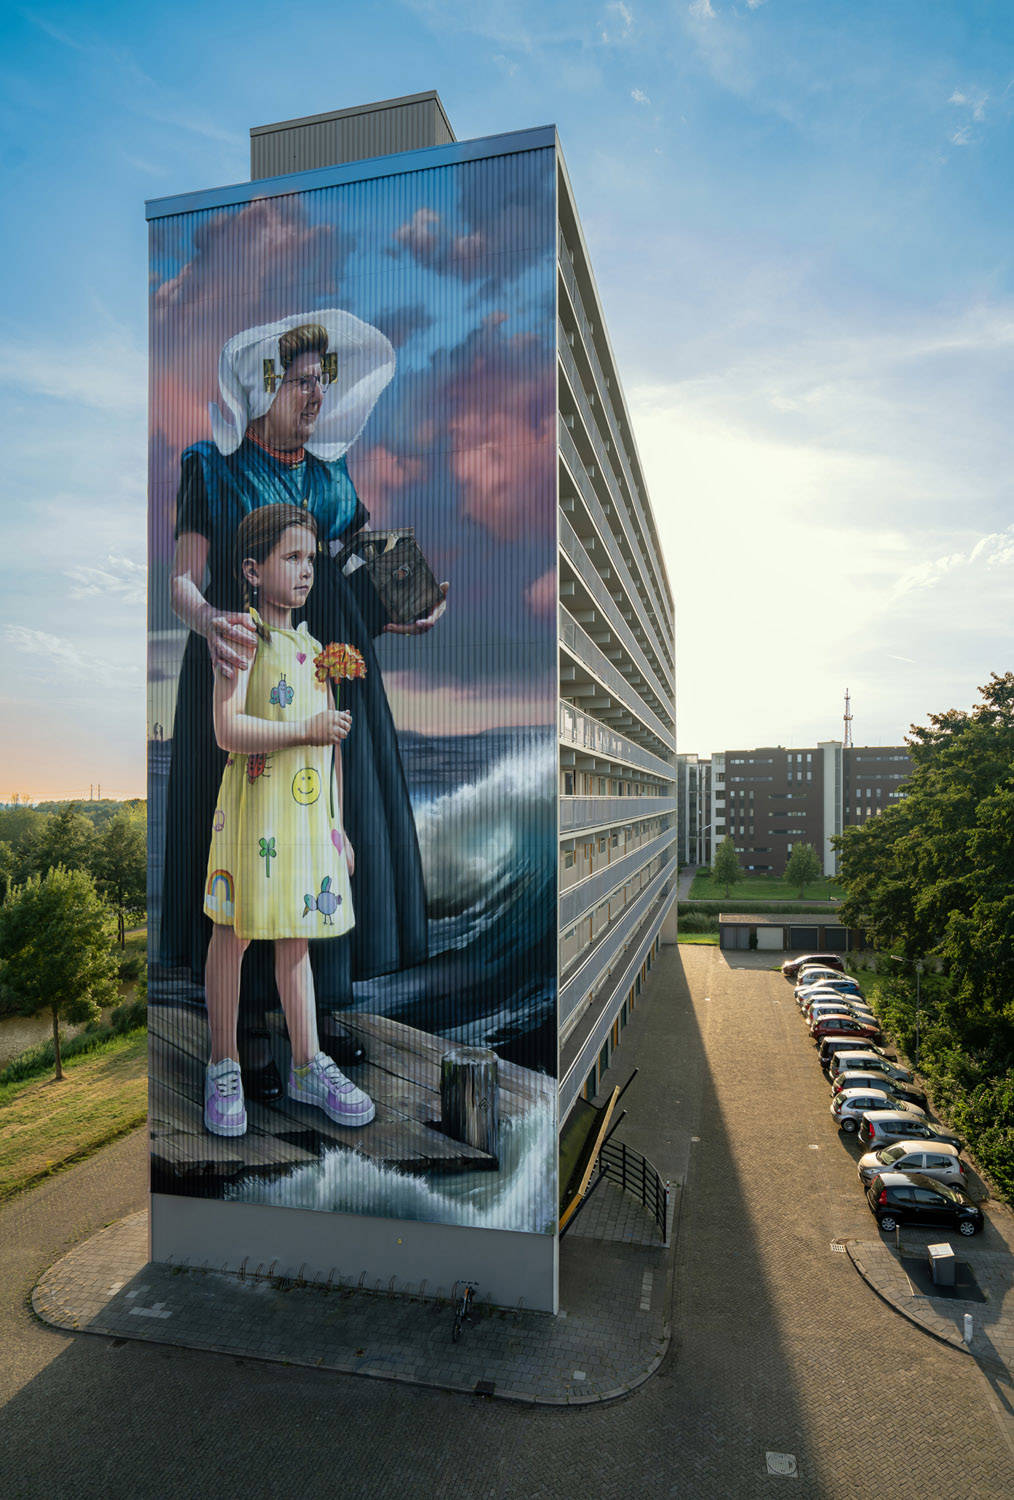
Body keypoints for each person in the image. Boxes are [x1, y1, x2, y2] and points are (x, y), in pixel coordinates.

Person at [163, 312, 447, 1100]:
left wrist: (403, 609)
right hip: (238, 664)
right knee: (243, 854)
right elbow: (183, 578)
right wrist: (208, 620)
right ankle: (240, 1038)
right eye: (302, 381)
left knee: (318, 844)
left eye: (323, 379)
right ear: (266, 384)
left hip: (320, 671)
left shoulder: (331, 477)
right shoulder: (212, 467)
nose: (316, 394)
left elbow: (357, 573)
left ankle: (310, 1032)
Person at [202, 503, 374, 1136]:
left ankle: (307, 1063)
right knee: (235, 933)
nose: (305, 572)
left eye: (311, 559)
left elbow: (328, 754)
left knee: (295, 939)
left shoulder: (315, 651)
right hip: (253, 815)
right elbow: (226, 728)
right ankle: (223, 1063)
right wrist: (303, 727)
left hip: (303, 822)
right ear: (253, 570)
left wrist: (339, 829)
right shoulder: (244, 636)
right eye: (291, 558)